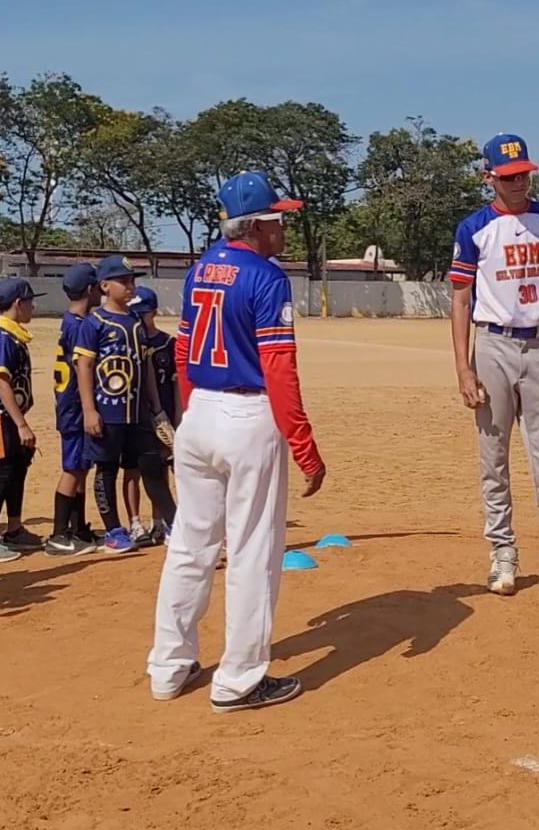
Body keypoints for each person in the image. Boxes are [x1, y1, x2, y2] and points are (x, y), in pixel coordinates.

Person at [148, 171, 327, 712]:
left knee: (190, 545)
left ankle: (168, 666)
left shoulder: (202, 267)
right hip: (247, 415)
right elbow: (279, 368)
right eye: (277, 219)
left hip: (199, 411)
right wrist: (304, 445)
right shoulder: (267, 277)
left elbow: (183, 353)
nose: (283, 228)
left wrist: (191, 414)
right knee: (253, 551)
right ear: (255, 226)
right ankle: (239, 680)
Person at [448, 133, 539, 604]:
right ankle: (503, 553)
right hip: (492, 345)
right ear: (488, 177)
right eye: (508, 177)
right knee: (493, 457)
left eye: (523, 175)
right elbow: (460, 299)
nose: (518, 184)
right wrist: (464, 369)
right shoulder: (474, 228)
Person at [74, 255, 177, 553]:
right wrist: (89, 410)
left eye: (132, 280)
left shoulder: (136, 322)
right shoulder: (94, 323)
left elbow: (146, 367)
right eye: (123, 281)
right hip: (108, 412)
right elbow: (84, 366)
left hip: (138, 412)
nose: (130, 286)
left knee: (151, 466)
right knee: (107, 469)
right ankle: (114, 531)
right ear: (105, 286)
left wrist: (156, 408)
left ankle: (174, 523)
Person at [46, 264, 103, 556]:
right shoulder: (80, 326)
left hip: (73, 405)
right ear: (90, 289)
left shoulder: (72, 321)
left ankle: (78, 527)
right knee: (72, 469)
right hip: (74, 407)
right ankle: (58, 534)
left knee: (81, 467)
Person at [0, 278, 46, 562]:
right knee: (0, 475)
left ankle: (14, 529)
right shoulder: (3, 338)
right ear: (17, 303)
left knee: (16, 469)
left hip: (12, 417)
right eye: (30, 302)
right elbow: (3, 383)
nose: (32, 307)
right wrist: (21, 424)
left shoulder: (15, 336)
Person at [124, 285, 177, 546]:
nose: (136, 320)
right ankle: (135, 522)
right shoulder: (128, 342)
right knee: (132, 468)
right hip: (133, 415)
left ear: (153, 312)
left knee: (161, 465)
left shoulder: (168, 344)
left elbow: (176, 385)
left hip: (162, 414)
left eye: (141, 314)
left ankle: (161, 520)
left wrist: (174, 416)